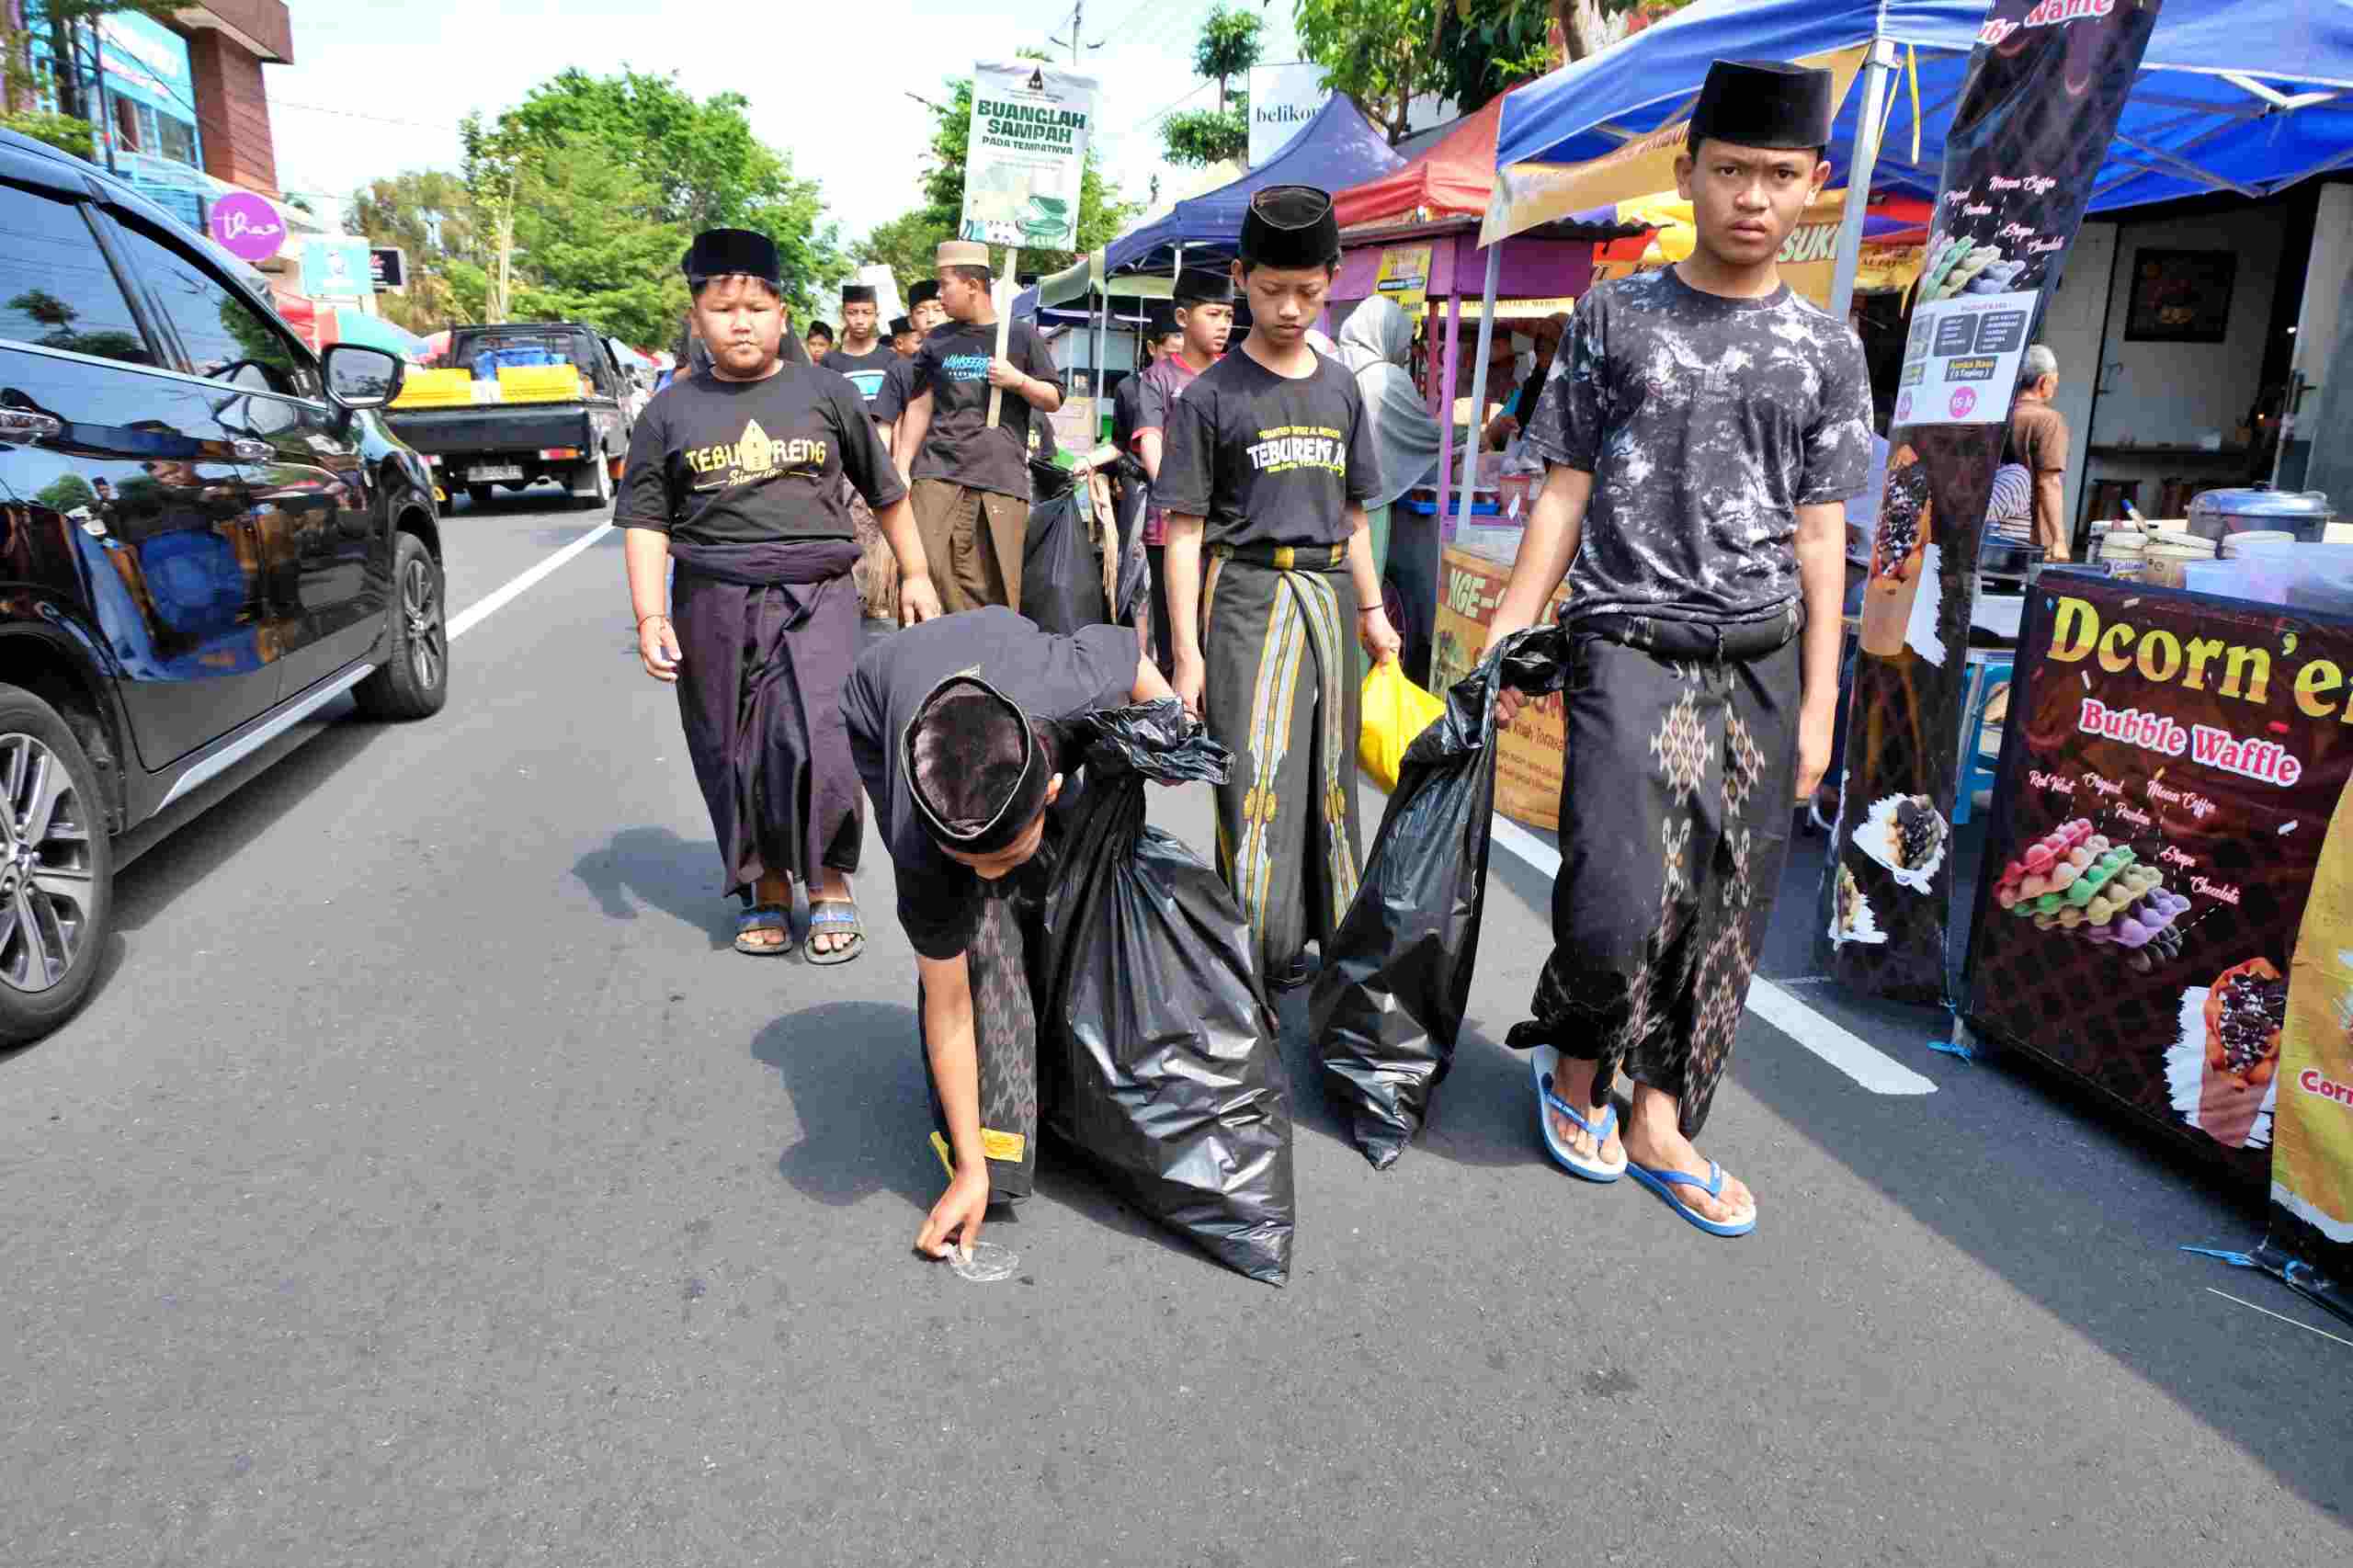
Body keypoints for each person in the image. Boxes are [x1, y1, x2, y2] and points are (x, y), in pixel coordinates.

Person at [1483, 60, 1872, 1237]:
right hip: (1626, 640)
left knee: (1721, 906)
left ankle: (1658, 1116)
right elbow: (1563, 490)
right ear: (1687, 171)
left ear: (1813, 183)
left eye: (1780, 175)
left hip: (1758, 655)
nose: (1754, 197)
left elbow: (1822, 535)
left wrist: (1818, 706)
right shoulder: (1615, 315)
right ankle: (1574, 1065)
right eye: (1731, 170)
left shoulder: (1827, 347)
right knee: (1613, 893)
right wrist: (1506, 630)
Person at [618, 228, 943, 963]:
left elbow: (886, 491)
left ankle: (827, 881)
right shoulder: (669, 412)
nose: (741, 323)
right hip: (712, 600)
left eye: (757, 308)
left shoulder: (825, 393)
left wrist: (916, 573)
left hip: (817, 592)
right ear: (696, 316)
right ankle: (765, 882)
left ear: (783, 314)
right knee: (731, 748)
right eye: (723, 308)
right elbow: (646, 521)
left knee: (821, 735)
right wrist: (650, 614)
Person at [842, 608, 1176, 1259]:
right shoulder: (919, 839)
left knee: (1058, 883)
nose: (988, 873)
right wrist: (971, 1167)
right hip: (882, 694)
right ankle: (995, 1125)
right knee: (972, 935)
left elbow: (1131, 660)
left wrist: (1173, 736)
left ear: (1051, 791)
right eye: (972, 860)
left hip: (1012, 662)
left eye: (1001, 854)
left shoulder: (1071, 685)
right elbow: (949, 1006)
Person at [1158, 186, 1400, 991]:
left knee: (1328, 780)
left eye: (1307, 291)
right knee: (1256, 776)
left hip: (1328, 600)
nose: (1289, 309)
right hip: (1247, 600)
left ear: (1332, 278)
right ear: (1240, 279)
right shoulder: (1209, 397)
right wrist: (1186, 656)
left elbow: (1355, 515)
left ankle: (1330, 944)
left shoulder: (1341, 388)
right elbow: (1184, 532)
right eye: (1270, 291)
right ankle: (1253, 959)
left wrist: (1372, 612)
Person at [892, 239, 1063, 613]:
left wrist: (1018, 381)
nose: (939, 296)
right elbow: (919, 404)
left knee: (993, 591)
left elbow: (1053, 398)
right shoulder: (938, 340)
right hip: (937, 474)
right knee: (927, 578)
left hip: (999, 478)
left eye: (944, 284)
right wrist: (902, 468)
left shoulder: (1019, 336)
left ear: (972, 285)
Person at [1129, 271, 1233, 673]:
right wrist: (1173, 495)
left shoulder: (1236, 375)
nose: (1224, 325)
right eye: (1213, 314)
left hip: (1225, 529)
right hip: (1170, 528)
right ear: (1183, 318)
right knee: (1175, 640)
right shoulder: (1159, 377)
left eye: (1229, 315)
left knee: (1221, 640)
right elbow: (1150, 439)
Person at [1335, 295, 1448, 579]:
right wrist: (1468, 436)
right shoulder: (1387, 377)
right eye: (1403, 343)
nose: (1404, 351)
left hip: (1327, 494)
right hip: (1369, 499)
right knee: (1366, 578)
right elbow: (1427, 435)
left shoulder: (1330, 366)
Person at [2007, 345, 2071, 562]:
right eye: (2055, 381)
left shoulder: (1998, 415)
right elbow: (2049, 482)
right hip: (2029, 538)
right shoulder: (2048, 420)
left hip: (1990, 533)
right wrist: (2059, 540)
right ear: (2044, 381)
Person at [873, 280, 947, 455]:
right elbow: (885, 424)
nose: (931, 318)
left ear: (949, 312)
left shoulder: (968, 358)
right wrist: (881, 465)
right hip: (917, 461)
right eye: (921, 312)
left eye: (938, 309)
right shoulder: (900, 369)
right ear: (912, 320)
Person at [1483, 312, 1571, 450]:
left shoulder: (1577, 391)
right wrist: (1504, 427)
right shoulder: (1531, 385)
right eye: (1540, 345)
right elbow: (1499, 428)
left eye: (1551, 345)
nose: (1543, 349)